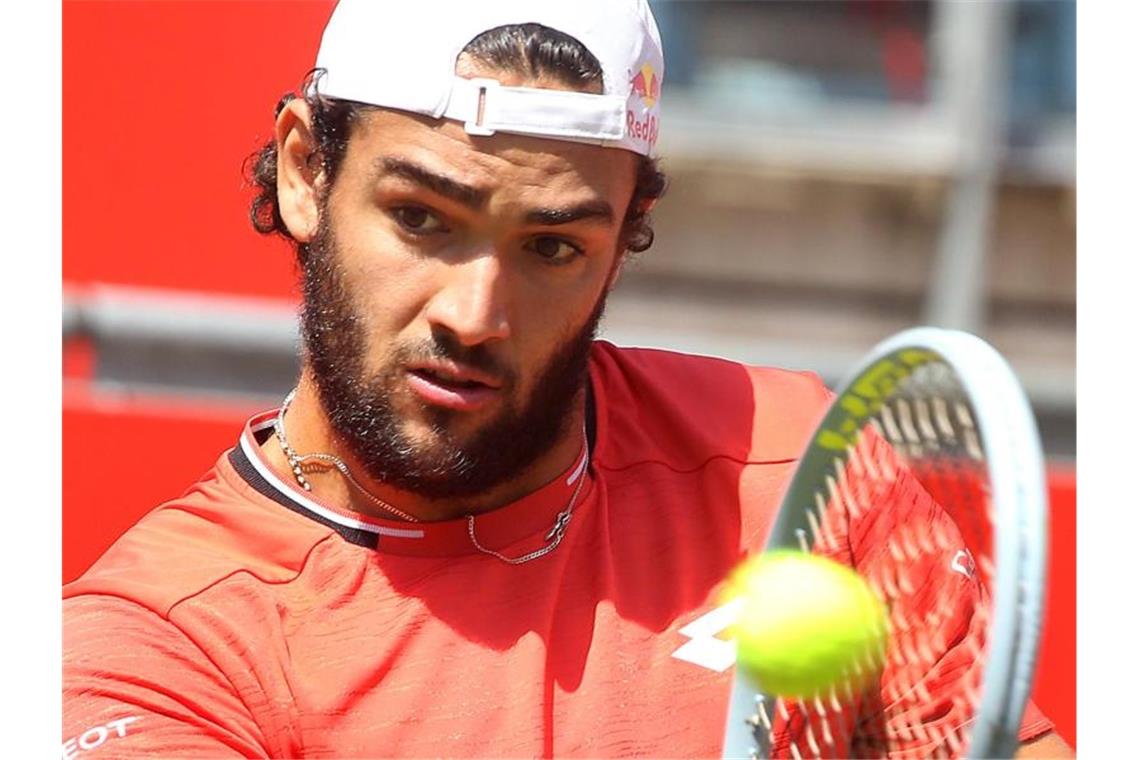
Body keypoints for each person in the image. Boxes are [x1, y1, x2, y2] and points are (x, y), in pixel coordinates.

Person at [62, 1, 1071, 757]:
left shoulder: (797, 467)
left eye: (552, 248)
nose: (474, 314)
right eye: (421, 218)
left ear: (627, 235)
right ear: (303, 172)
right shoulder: (152, 648)